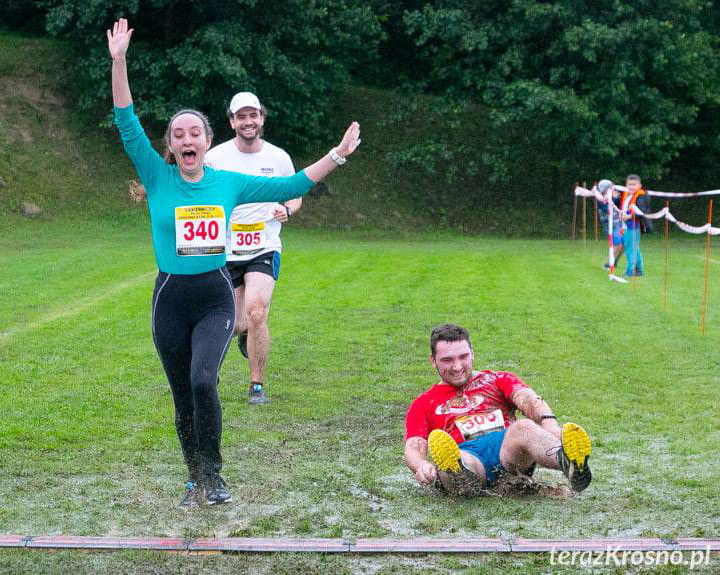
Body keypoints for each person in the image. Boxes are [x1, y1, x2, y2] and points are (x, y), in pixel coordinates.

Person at [107, 18, 361, 508]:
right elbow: (124, 118)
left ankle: (215, 476)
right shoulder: (158, 178)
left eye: (194, 132)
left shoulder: (227, 181)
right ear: (171, 145)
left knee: (205, 381)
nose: (187, 139)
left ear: (206, 142)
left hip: (214, 295)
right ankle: (192, 477)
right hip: (170, 300)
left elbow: (291, 186)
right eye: (178, 133)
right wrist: (119, 61)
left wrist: (338, 155)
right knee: (183, 394)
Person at [404, 324, 592, 495]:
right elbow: (414, 446)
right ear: (433, 360)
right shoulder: (423, 403)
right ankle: (459, 478)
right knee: (456, 461)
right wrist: (421, 465)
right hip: (465, 453)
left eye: (463, 357)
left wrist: (550, 426)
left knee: (524, 427)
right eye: (447, 360)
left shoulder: (496, 379)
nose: (457, 366)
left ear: (473, 353)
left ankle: (570, 462)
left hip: (506, 450)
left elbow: (528, 399)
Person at [204, 92, 301, 405]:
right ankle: (233, 344)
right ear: (232, 121)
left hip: (264, 246)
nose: (248, 121)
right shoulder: (215, 157)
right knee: (231, 321)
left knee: (257, 312)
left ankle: (256, 386)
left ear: (262, 118)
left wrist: (289, 209)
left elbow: (296, 192)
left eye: (253, 115)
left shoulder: (278, 157)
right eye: (241, 116)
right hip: (225, 249)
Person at [620, 174, 652, 277]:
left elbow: (641, 211)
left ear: (639, 185)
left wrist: (628, 217)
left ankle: (630, 272)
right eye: (629, 184)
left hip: (633, 226)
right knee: (635, 248)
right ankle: (639, 270)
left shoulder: (640, 196)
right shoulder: (627, 195)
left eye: (634, 184)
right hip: (626, 226)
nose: (631, 186)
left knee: (630, 250)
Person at [595, 179, 623, 271]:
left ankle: (614, 261)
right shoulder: (600, 198)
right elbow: (606, 209)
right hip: (610, 225)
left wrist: (617, 198)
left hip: (618, 223)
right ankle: (607, 264)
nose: (613, 188)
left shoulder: (613, 196)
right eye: (611, 187)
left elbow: (618, 206)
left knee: (623, 244)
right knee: (617, 244)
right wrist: (614, 198)